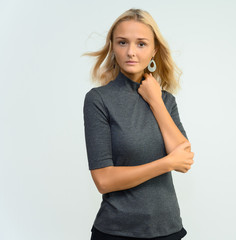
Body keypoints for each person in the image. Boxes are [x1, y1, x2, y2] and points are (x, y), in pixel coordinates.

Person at [82, 8, 195, 240]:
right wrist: (165, 163)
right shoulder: (99, 99)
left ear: (154, 50)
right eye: (122, 42)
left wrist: (155, 100)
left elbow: (183, 160)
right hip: (116, 232)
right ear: (113, 47)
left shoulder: (165, 100)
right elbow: (103, 180)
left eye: (141, 44)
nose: (131, 52)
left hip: (169, 230)